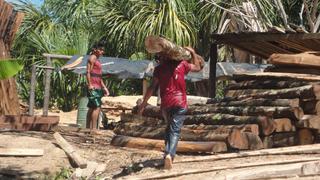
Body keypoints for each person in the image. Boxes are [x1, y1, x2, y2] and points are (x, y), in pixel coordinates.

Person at [137, 47, 203, 170]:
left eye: (159, 58)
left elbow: (152, 87)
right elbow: (198, 67)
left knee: (169, 129)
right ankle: (169, 155)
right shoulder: (182, 65)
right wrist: (193, 53)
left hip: (166, 104)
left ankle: (167, 154)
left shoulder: (159, 69)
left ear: (164, 57)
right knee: (175, 130)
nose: (158, 60)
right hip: (180, 103)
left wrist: (143, 104)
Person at [86, 46, 109, 131]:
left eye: (103, 50)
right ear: (95, 49)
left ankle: (88, 129)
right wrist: (90, 85)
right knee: (97, 107)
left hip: (98, 86)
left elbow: (99, 76)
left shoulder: (97, 59)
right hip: (94, 87)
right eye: (100, 49)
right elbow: (88, 72)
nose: (102, 51)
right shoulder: (92, 58)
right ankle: (94, 129)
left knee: (92, 107)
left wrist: (104, 87)